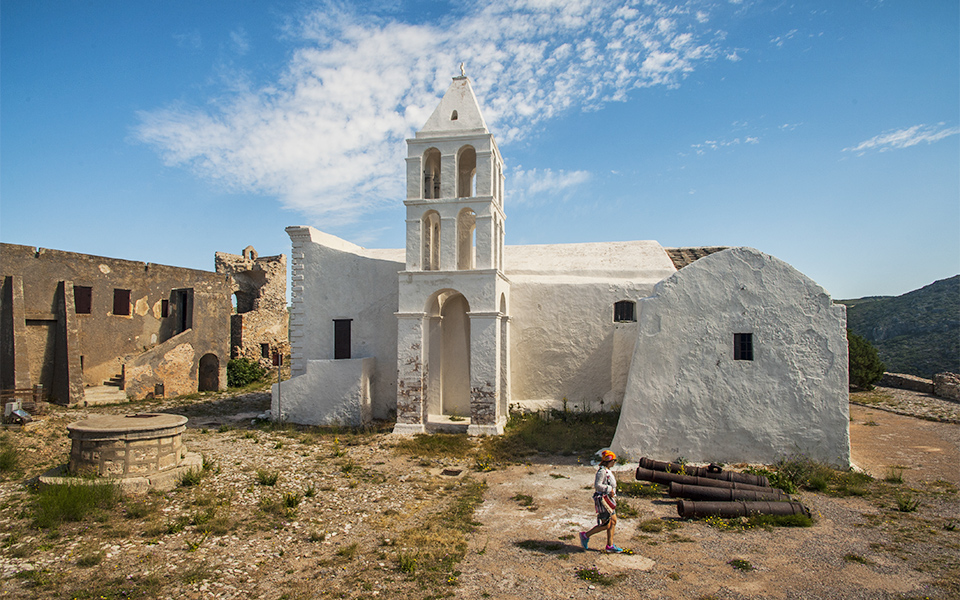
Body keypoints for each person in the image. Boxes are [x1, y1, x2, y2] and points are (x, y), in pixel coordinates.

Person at [580, 450, 624, 553]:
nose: (615, 462)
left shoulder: (607, 470)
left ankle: (610, 545)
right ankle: (585, 535)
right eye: (614, 460)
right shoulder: (602, 472)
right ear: (609, 461)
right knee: (606, 524)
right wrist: (609, 489)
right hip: (603, 501)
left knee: (613, 521)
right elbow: (597, 485)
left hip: (609, 500)